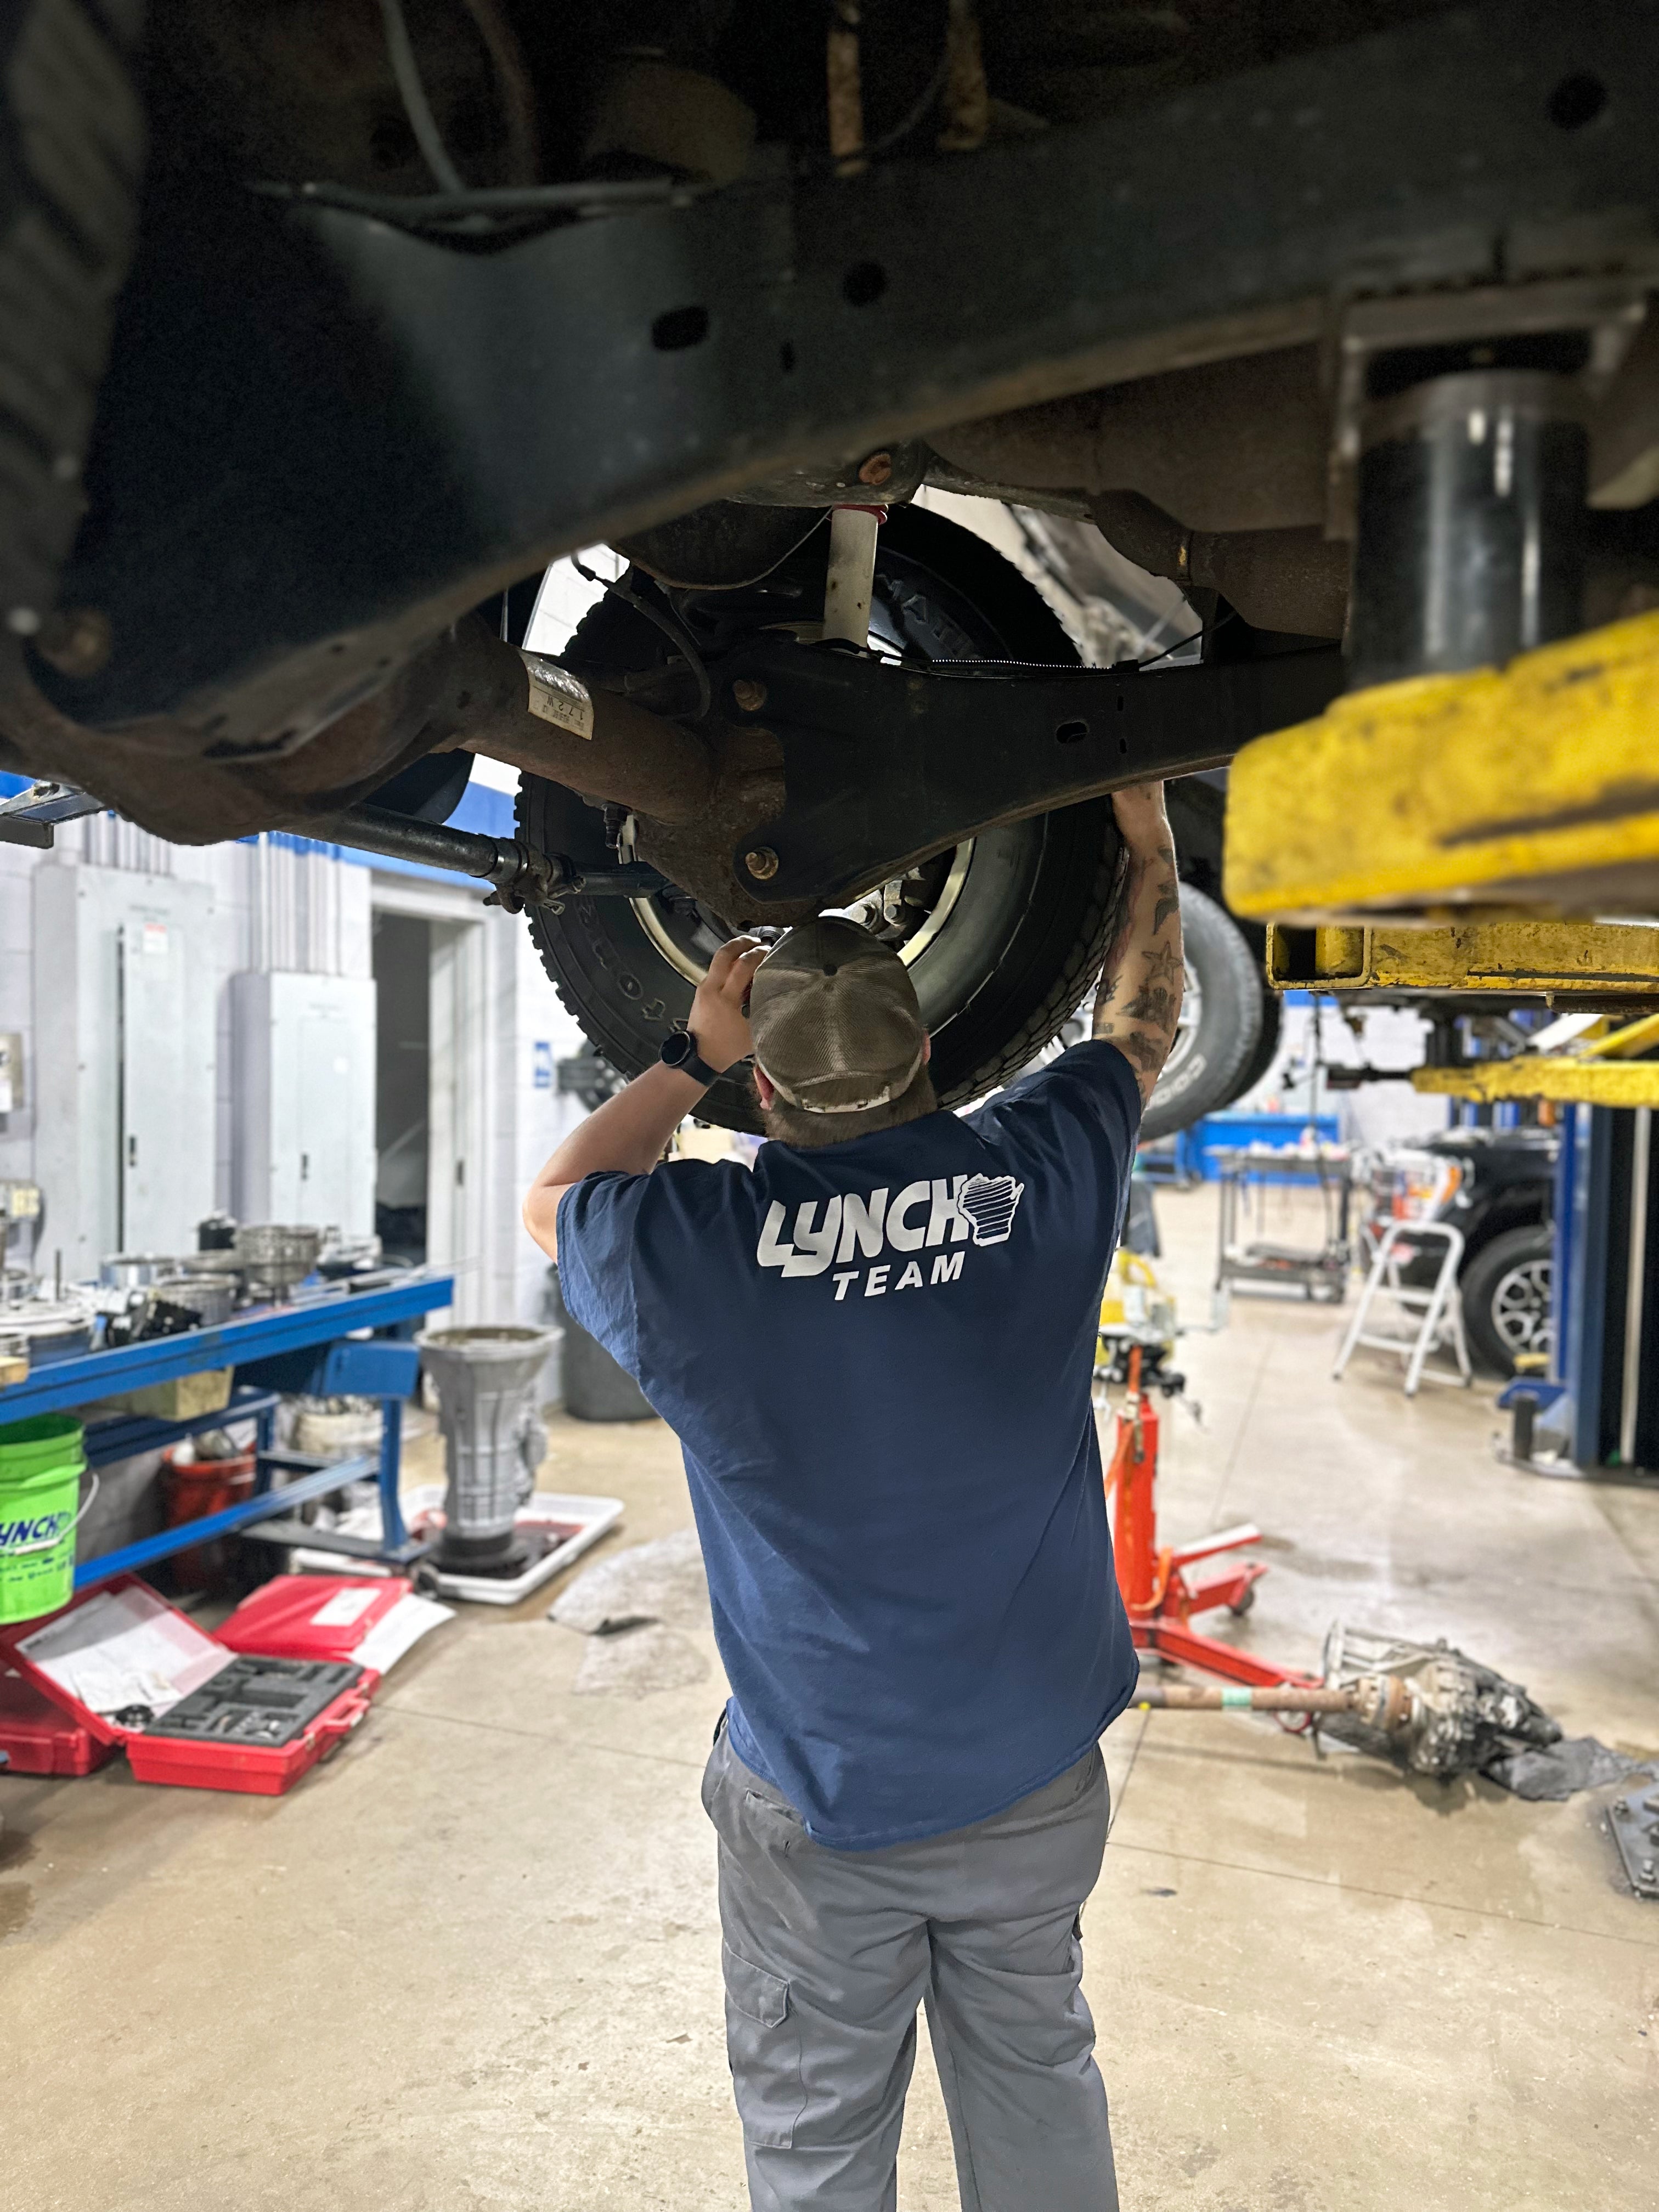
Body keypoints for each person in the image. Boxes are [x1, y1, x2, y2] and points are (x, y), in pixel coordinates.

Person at [523, 783, 1184, 2212]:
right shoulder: (1040, 1174)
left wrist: (682, 1056)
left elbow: (555, 1198)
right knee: (1038, 2086)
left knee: (819, 2142)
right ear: (935, 1047)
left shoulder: (689, 1249)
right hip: (1031, 1783)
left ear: (765, 1084)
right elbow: (1141, 1024)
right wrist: (1147, 847)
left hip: (822, 1806)